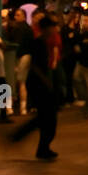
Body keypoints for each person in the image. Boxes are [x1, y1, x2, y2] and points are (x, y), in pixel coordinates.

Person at [12, 16, 60, 161]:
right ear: (46, 28)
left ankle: (40, 146)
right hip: (39, 85)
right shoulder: (38, 43)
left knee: (44, 118)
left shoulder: (40, 42)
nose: (54, 30)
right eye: (52, 27)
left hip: (37, 84)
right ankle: (37, 145)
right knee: (47, 118)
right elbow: (36, 66)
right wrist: (47, 82)